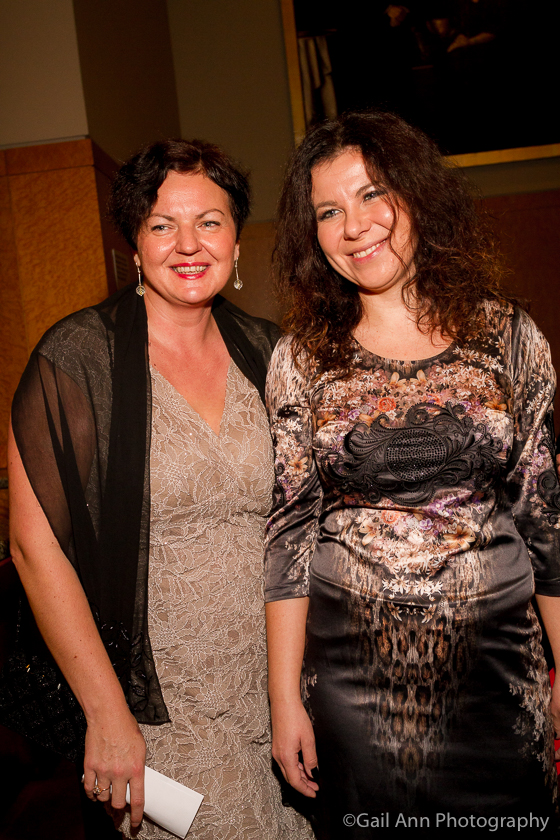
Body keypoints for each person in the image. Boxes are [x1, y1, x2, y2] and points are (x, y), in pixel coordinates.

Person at [264, 110, 560, 836]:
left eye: (372, 194)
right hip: (354, 694)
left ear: (417, 196)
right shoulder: (301, 360)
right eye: (328, 211)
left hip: (499, 682)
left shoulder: (509, 337)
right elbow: (289, 537)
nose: (353, 225)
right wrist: (283, 699)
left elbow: (545, 518)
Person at [7, 139, 312, 840]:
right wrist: (107, 714)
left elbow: (304, 521)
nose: (188, 243)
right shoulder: (77, 360)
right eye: (162, 224)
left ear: (236, 240)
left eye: (209, 221)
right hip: (157, 707)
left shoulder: (270, 352)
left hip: (277, 687)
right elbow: (34, 547)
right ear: (135, 245)